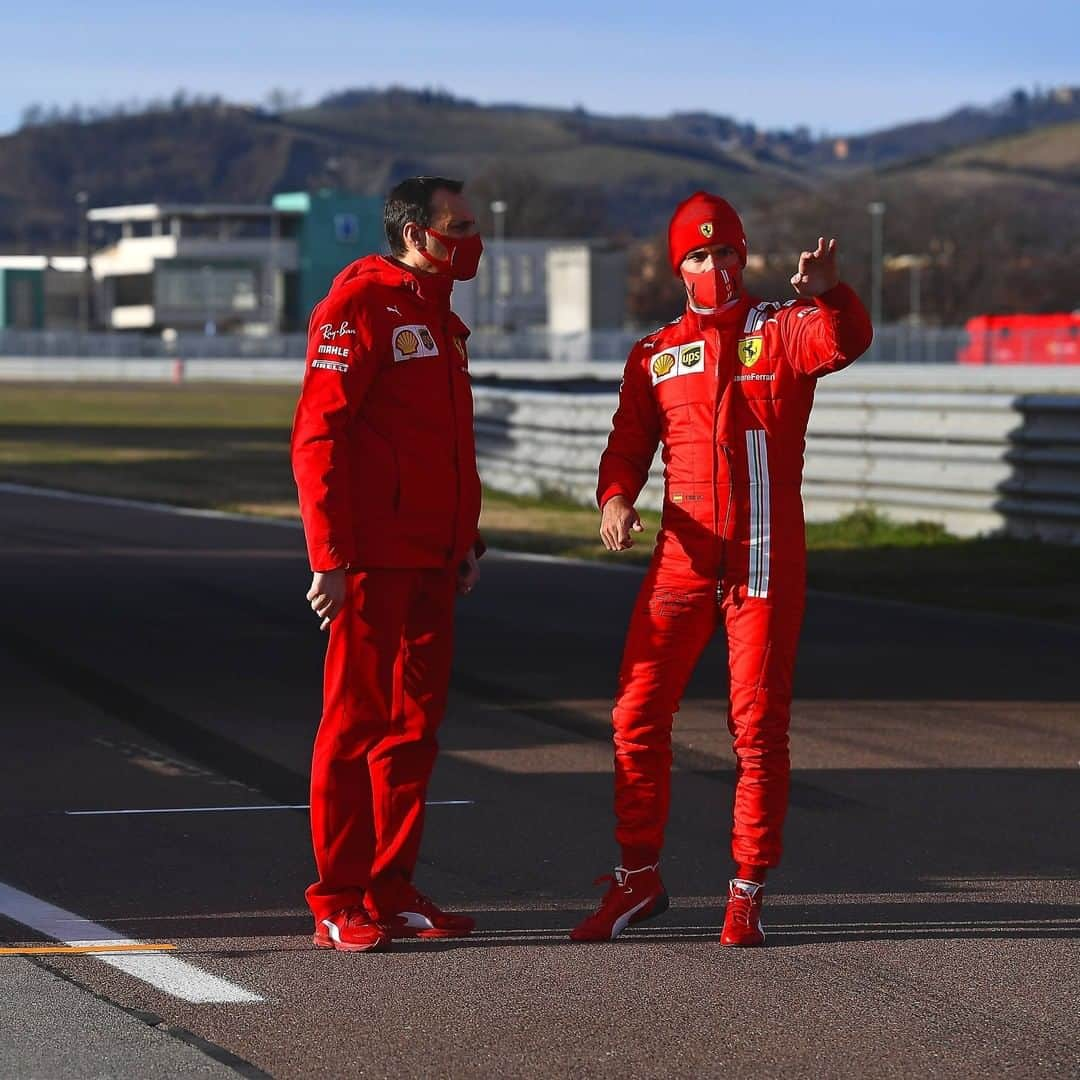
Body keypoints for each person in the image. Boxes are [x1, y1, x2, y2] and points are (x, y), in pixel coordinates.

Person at [571, 191, 873, 947]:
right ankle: (637, 879)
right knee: (635, 715)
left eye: (727, 252)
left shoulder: (784, 330)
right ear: (681, 267)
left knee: (758, 730)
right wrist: (614, 498)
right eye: (700, 256)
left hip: (765, 560)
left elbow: (845, 341)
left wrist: (830, 292)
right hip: (680, 556)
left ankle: (747, 889)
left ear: (745, 257)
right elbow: (627, 442)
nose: (716, 266)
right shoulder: (654, 353)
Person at [291, 176, 485, 953]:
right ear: (414, 233)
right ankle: (336, 897)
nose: (472, 239)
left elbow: (442, 447)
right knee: (352, 728)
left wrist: (463, 538)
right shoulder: (359, 305)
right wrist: (329, 556)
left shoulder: (445, 321)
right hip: (370, 560)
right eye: (459, 225)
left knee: (414, 732)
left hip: (434, 559)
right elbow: (318, 437)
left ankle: (389, 886)